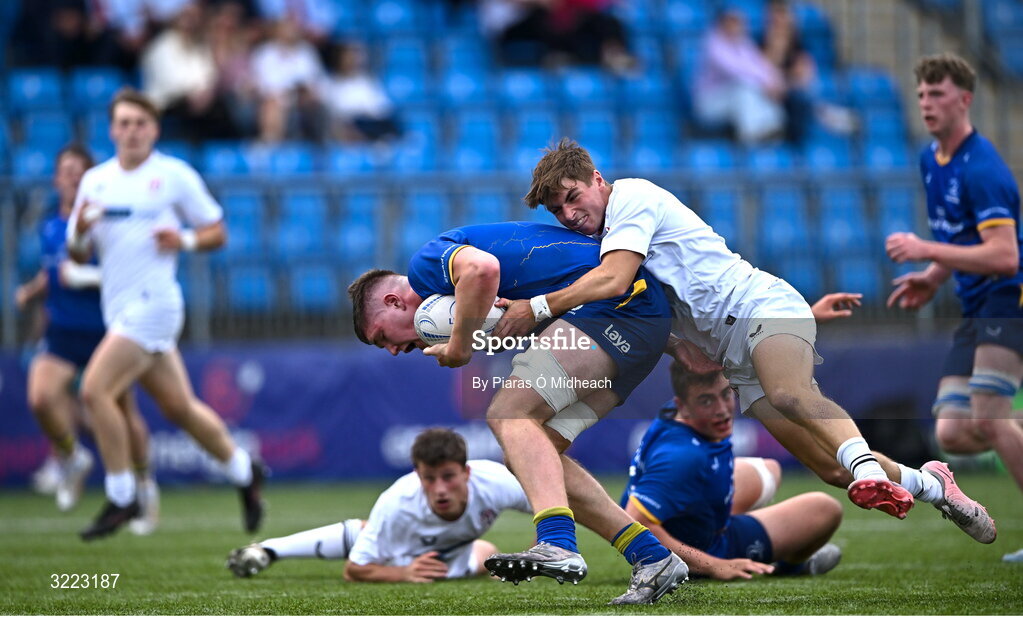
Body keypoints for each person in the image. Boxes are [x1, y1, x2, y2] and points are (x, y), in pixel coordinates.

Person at [493, 138, 996, 546]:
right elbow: (641, 310)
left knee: (790, 395)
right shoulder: (596, 242)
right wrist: (675, 344)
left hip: (762, 306)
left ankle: (866, 464)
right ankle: (936, 485)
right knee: (827, 467)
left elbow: (613, 280)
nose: (568, 213)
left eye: (573, 197)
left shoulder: (631, 199)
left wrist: (537, 307)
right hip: (738, 346)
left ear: (597, 181)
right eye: (557, 209)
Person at [348, 221, 688, 605]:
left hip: (617, 309)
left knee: (510, 415)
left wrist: (461, 346)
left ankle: (556, 543)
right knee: (530, 451)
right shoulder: (458, 297)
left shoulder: (425, 267)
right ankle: (652, 556)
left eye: (381, 338)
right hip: (637, 329)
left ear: (394, 302)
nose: (392, 350)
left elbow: (482, 269)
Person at [66, 87, 264, 541]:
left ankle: (122, 495)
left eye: (141, 123)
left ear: (154, 129)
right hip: (119, 310)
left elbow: (217, 230)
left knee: (96, 391)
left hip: (155, 305)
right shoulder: (95, 181)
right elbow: (77, 257)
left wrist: (186, 241)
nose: (133, 131)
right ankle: (243, 470)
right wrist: (78, 233)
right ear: (112, 129)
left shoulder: (173, 175)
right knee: (180, 408)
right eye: (125, 123)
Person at [885, 53, 1023, 562]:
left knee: (989, 417)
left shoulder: (983, 168)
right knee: (953, 430)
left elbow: (1006, 257)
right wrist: (933, 276)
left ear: (964, 99)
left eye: (937, 94)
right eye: (921, 94)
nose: (926, 103)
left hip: (1008, 298)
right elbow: (961, 237)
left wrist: (927, 251)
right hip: (975, 303)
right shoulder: (932, 159)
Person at [15, 145, 160, 534]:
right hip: (62, 331)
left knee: (124, 411)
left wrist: (83, 278)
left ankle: (144, 486)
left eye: (80, 172)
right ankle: (71, 457)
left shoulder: (103, 222)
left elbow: (123, 270)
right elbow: (54, 271)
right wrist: (33, 290)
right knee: (41, 397)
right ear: (56, 178)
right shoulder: (49, 225)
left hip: (106, 330)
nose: (72, 178)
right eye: (66, 171)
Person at [623, 362, 843, 581]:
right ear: (685, 406)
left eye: (725, 394)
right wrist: (715, 565)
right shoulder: (683, 457)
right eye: (707, 401)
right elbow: (635, 522)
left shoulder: (674, 412)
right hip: (704, 546)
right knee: (825, 508)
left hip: (688, 513)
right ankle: (790, 565)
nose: (721, 409)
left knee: (769, 470)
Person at [227, 428, 531, 582]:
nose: (439, 489)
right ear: (417, 475)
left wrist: (536, 554)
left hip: (455, 555)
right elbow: (354, 569)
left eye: (449, 477)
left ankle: (268, 550)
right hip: (405, 549)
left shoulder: (496, 481)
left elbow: (552, 504)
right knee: (368, 534)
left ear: (467, 472)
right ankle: (269, 550)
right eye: (429, 478)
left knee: (487, 556)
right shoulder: (397, 500)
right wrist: (405, 573)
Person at [692, 7, 785, 144]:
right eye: (731, 21)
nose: (735, 26)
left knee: (756, 89)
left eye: (738, 22)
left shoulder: (743, 42)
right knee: (745, 86)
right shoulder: (713, 43)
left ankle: (773, 130)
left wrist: (774, 81)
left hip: (732, 97)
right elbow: (734, 70)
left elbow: (759, 64)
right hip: (707, 102)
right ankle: (749, 135)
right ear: (722, 23)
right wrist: (764, 82)